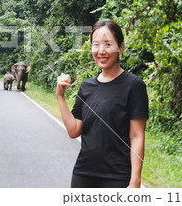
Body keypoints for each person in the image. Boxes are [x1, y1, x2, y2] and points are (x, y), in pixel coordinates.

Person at [56, 19, 148, 188]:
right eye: (96, 45)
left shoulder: (134, 86)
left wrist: (135, 181)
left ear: (120, 48)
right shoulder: (86, 86)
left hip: (118, 178)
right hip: (83, 174)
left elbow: (136, 136)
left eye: (107, 44)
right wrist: (60, 97)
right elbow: (74, 130)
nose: (101, 51)